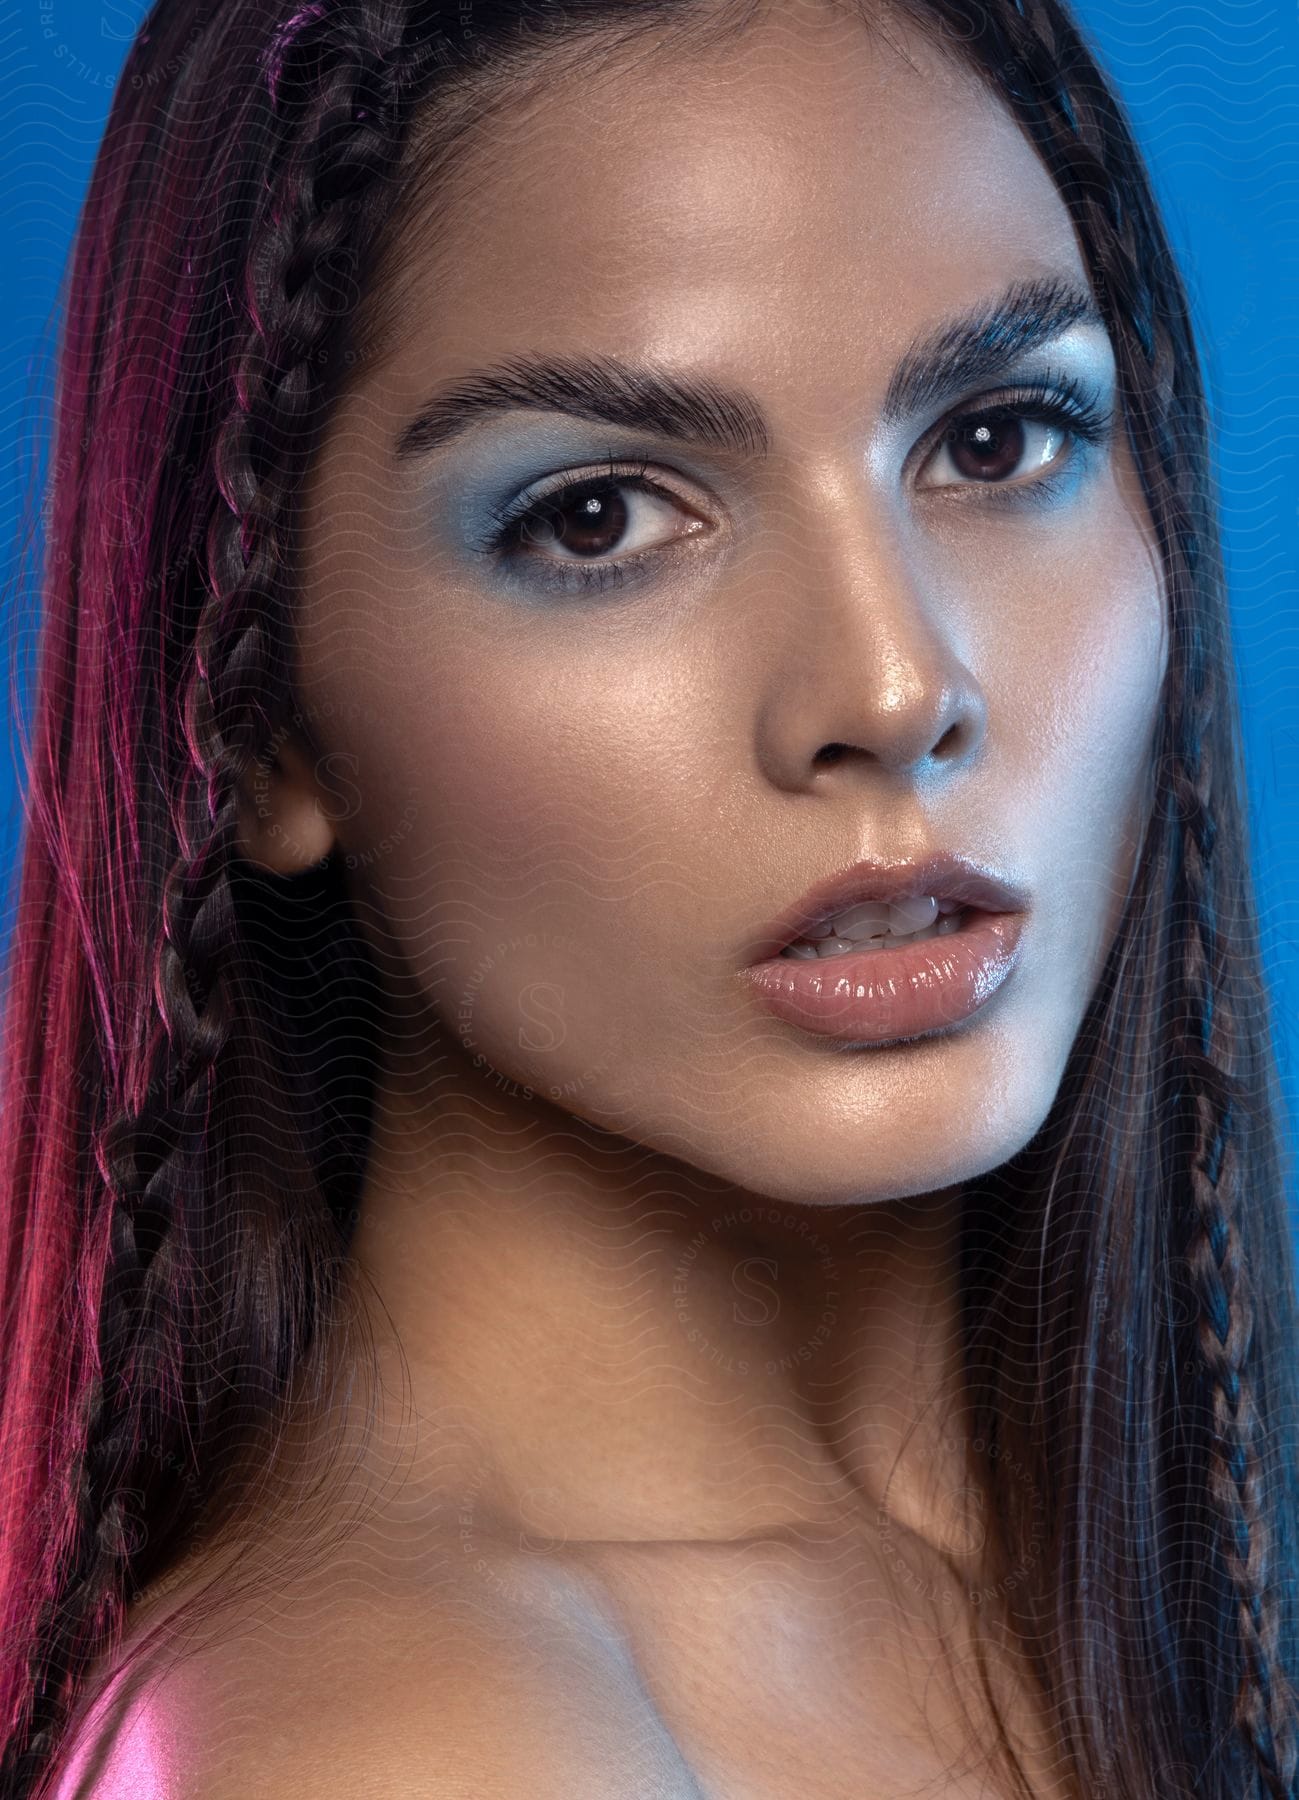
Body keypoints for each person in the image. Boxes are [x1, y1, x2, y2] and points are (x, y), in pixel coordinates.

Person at [1, 0, 1296, 1793]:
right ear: (261, 715)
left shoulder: (1120, 1571)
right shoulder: (402, 1740)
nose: (894, 685)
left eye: (996, 441)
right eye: (600, 517)